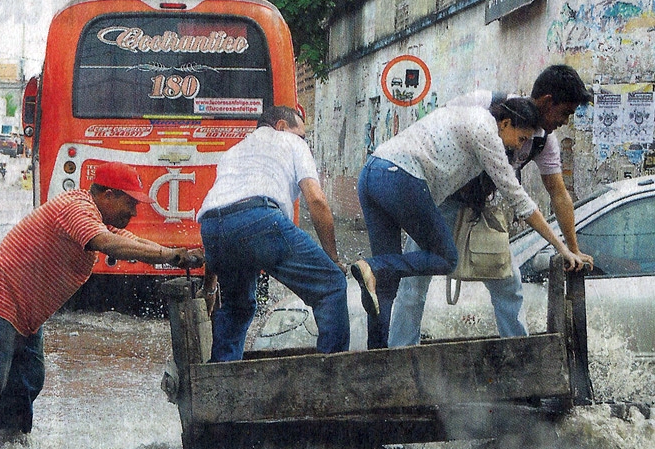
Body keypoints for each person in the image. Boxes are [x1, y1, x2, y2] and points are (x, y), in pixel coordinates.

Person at [0, 162, 203, 444]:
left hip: (23, 312)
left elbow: (131, 242)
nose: (134, 211)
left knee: (29, 377)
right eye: (130, 202)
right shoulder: (77, 208)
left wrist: (176, 253)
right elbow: (108, 244)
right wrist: (167, 255)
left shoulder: (95, 215)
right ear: (107, 194)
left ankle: (6, 440)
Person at [351, 98, 586, 349]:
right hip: (401, 177)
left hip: (372, 172)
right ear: (505, 123)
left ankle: (376, 356)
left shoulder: (468, 112)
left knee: (383, 284)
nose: (521, 147)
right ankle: (374, 267)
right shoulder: (487, 135)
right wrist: (561, 247)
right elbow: (520, 200)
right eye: (521, 138)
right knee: (445, 258)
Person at [198, 105, 350, 362]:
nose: (303, 140)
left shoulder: (233, 152)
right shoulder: (291, 142)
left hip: (212, 228)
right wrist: (333, 259)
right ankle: (331, 377)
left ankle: (222, 385)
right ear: (281, 126)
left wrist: (210, 284)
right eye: (301, 134)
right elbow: (317, 201)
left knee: (236, 308)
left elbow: (223, 214)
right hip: (259, 220)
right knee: (331, 286)